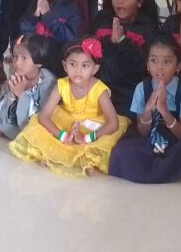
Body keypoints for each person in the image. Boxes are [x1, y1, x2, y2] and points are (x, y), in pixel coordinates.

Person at [8, 38, 129, 176]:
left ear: (95, 69)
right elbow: (43, 116)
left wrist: (86, 138)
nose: (78, 70)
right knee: (36, 125)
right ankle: (60, 149)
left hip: (94, 126)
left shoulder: (99, 90)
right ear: (65, 66)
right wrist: (62, 135)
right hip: (65, 122)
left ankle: (86, 158)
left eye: (85, 66)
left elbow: (113, 123)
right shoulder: (61, 85)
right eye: (72, 64)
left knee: (106, 141)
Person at [108, 34, 181, 184]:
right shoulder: (142, 88)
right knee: (122, 150)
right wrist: (148, 109)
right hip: (148, 140)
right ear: (147, 65)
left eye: (167, 61)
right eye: (154, 60)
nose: (160, 67)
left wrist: (164, 112)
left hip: (174, 140)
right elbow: (142, 131)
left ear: (178, 66)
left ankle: (158, 167)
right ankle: (168, 168)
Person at [89, 0, 159, 117]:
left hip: (130, 93)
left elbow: (146, 65)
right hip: (99, 88)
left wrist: (122, 42)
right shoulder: (102, 20)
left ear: (139, 2)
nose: (120, 2)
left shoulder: (147, 27)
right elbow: (88, 48)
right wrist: (109, 43)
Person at [0, 35, 57, 139]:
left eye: (24, 58)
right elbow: (2, 109)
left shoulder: (48, 82)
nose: (17, 63)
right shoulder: (17, 74)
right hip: (14, 121)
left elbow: (42, 116)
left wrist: (21, 95)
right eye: (15, 56)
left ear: (38, 62)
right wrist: (12, 95)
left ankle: (17, 136)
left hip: (32, 124)